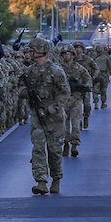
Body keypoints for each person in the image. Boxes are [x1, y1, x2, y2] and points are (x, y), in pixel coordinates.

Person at [18, 38, 70, 195]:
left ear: (39, 51)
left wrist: (52, 108)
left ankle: (56, 178)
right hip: (36, 115)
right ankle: (41, 181)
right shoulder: (29, 71)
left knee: (54, 150)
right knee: (38, 148)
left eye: (32, 50)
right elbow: (19, 87)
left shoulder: (56, 71)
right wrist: (26, 93)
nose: (29, 53)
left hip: (54, 117)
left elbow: (65, 92)